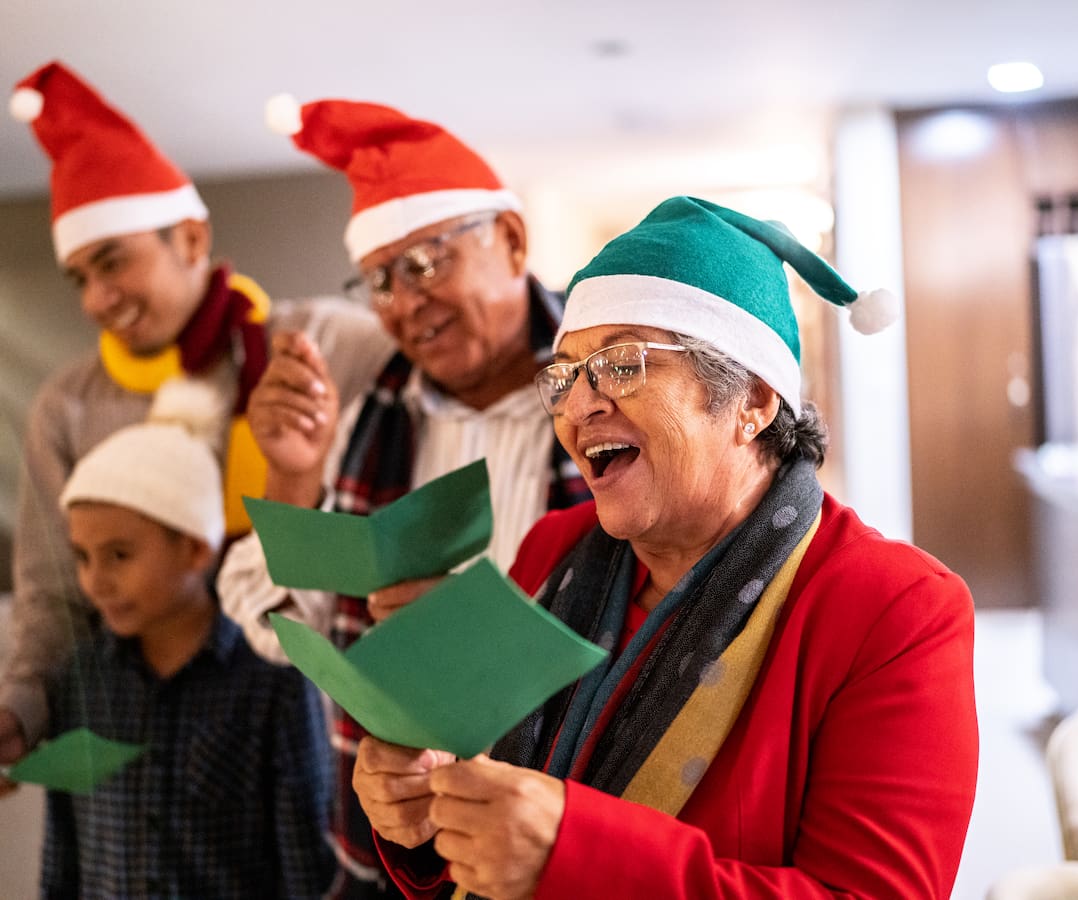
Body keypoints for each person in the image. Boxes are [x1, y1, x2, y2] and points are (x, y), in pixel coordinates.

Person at [351, 196, 980, 899]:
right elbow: (496, 805)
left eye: (622, 365)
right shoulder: (552, 550)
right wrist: (427, 806)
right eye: (563, 376)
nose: (578, 405)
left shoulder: (894, 608)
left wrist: (574, 855)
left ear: (754, 401)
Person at [217, 94, 589, 897]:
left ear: (513, 241)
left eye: (424, 263)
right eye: (379, 280)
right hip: (387, 852)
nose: (403, 302)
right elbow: (273, 632)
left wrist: (473, 634)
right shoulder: (360, 423)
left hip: (581, 830)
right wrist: (292, 475)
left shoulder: (608, 399)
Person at [0, 61, 393, 787]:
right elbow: (52, 589)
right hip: (149, 731)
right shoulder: (70, 405)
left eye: (112, 262)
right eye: (80, 277)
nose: (96, 298)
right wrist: (22, 710)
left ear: (188, 237)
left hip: (322, 710)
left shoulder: (328, 345)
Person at [41, 378, 335, 898]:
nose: (95, 581)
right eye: (81, 557)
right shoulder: (80, 677)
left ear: (196, 550)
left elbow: (305, 863)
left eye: (119, 555)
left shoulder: (273, 681)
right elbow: (62, 853)